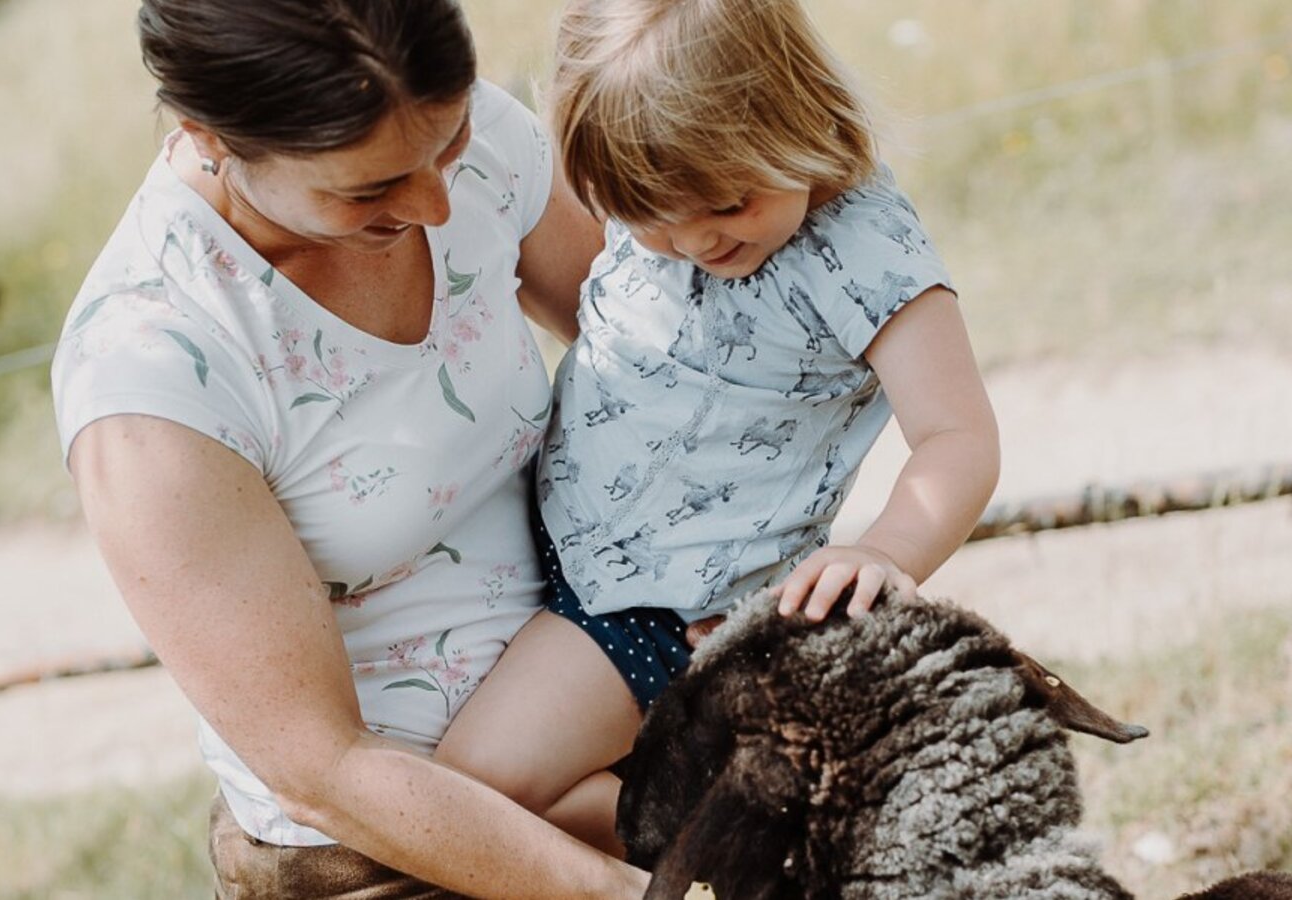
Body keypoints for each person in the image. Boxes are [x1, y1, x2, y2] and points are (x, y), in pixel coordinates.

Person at [49, 1, 648, 896]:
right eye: (368, 190)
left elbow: (666, 369)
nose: (435, 202)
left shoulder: (442, 146)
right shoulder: (152, 372)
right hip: (386, 848)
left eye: (447, 145)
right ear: (207, 136)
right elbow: (321, 769)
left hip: (610, 708)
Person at [433, 0, 1002, 855]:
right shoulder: (655, 203)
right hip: (555, 544)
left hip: (656, 606)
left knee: (472, 794)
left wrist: (883, 554)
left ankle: (742, 821)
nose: (695, 239)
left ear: (796, 119)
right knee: (463, 791)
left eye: (728, 204)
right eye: (649, 218)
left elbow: (959, 437)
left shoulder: (863, 252)